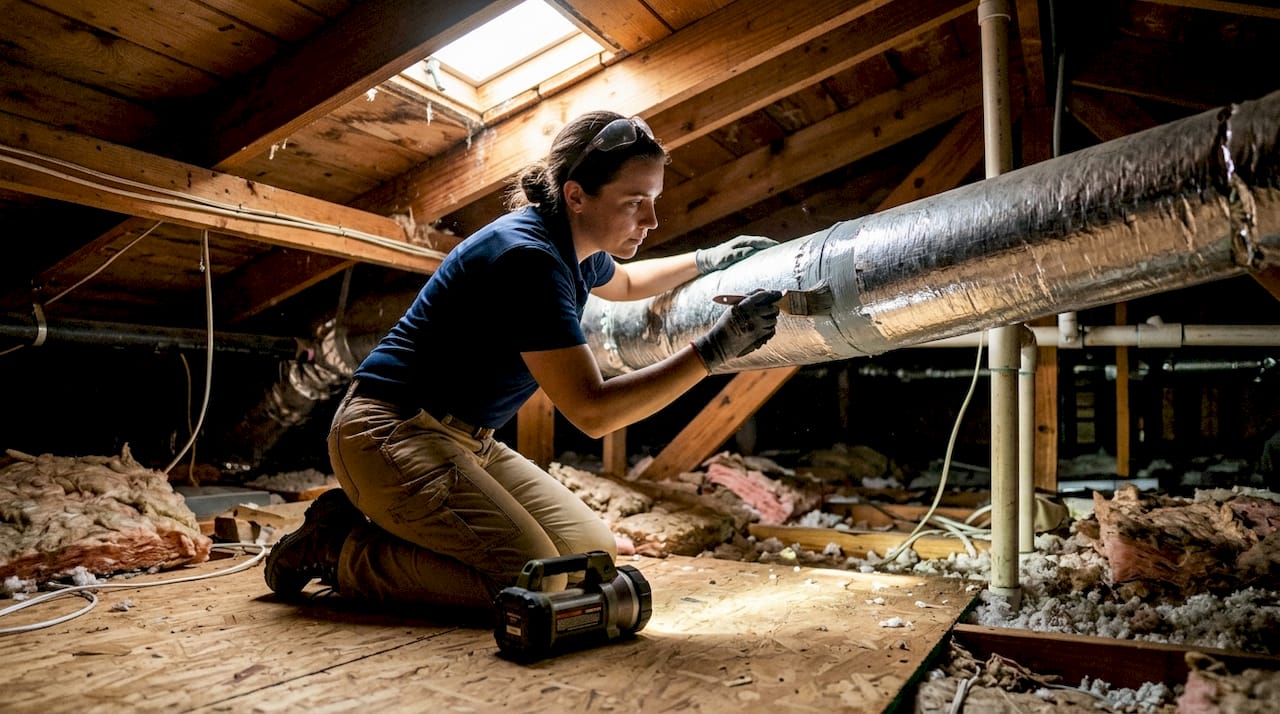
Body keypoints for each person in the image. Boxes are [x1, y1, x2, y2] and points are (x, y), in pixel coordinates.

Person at [264, 110, 782, 610]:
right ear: (576, 195)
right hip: (388, 432)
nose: (651, 219)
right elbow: (592, 411)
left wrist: (707, 258)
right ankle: (339, 551)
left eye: (653, 199)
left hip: (465, 441)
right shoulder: (527, 259)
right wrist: (712, 352)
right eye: (635, 202)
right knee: (531, 581)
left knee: (592, 555)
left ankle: (374, 528)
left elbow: (624, 283)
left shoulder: (570, 238)